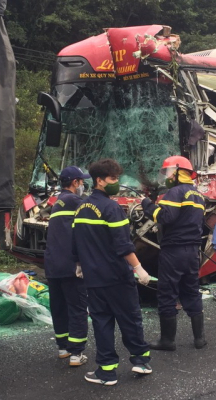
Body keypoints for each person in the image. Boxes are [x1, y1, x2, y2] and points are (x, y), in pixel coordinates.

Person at [72, 159, 151, 386]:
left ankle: (106, 373)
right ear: (100, 180)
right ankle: (141, 361)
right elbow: (123, 245)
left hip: (94, 280)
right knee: (130, 319)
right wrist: (139, 268)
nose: (117, 183)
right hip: (117, 277)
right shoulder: (111, 208)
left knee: (102, 323)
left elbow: (75, 242)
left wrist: (78, 264)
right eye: (113, 179)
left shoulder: (82, 208)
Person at [141, 156, 207, 350]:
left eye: (168, 172)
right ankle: (199, 339)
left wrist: (147, 205)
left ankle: (167, 341)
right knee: (191, 291)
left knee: (167, 293)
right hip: (192, 252)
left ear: (179, 172)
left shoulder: (174, 193)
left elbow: (165, 217)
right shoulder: (198, 195)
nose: (167, 176)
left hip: (173, 252)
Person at [43, 166, 90, 366]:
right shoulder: (75, 201)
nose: (83, 185)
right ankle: (76, 354)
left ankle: (63, 348)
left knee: (59, 307)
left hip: (53, 266)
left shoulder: (56, 203)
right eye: (82, 182)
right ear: (75, 183)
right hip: (71, 266)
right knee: (78, 308)